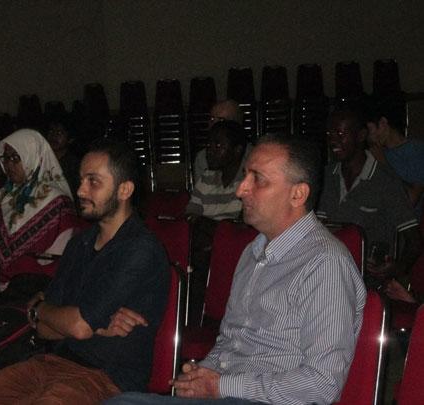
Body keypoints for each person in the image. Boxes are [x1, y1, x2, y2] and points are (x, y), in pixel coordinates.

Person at [106, 134, 367, 405]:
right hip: (230, 395)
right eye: (245, 176)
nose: (241, 189)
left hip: (270, 401)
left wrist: (220, 386)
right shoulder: (253, 252)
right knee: (123, 401)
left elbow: (323, 383)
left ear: (297, 194)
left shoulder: (324, 263)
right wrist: (202, 375)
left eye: (258, 180)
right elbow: (230, 343)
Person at [0, 139, 169, 404]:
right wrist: (86, 325)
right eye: (81, 180)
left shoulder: (140, 249)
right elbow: (43, 329)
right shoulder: (80, 243)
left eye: (93, 181)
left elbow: (78, 326)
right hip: (47, 364)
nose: (80, 190)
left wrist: (40, 308)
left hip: (103, 378)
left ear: (125, 190)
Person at [316, 108, 421, 288]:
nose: (333, 140)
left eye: (340, 134)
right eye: (329, 134)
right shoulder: (326, 176)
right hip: (328, 274)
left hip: (367, 282)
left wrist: (396, 268)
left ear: (361, 136)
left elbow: (414, 240)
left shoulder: (384, 181)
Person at [0, 128, 77, 283]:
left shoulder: (58, 202)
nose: (8, 164)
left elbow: (57, 257)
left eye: (16, 158)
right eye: (5, 158)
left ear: (32, 156)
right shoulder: (0, 197)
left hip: (31, 285)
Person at [185, 120, 247, 324]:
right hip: (204, 248)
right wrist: (217, 228)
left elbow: (238, 230)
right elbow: (190, 218)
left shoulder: (246, 183)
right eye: (209, 145)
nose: (209, 151)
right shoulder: (207, 177)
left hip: (232, 253)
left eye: (218, 145)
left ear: (237, 151)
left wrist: (209, 226)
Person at [365, 96, 424, 214]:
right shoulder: (376, 152)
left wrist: (383, 163)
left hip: (406, 221)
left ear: (382, 123)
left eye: (370, 130)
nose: (369, 137)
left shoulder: (416, 150)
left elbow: (412, 199)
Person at [193, 100, 244, 182]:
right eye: (212, 119)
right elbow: (201, 188)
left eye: (221, 120)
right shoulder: (202, 157)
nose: (213, 124)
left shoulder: (253, 155)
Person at [44, 112, 81, 199]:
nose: (54, 136)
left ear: (70, 139)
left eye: (59, 133)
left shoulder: (74, 165)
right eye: (51, 131)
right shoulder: (42, 160)